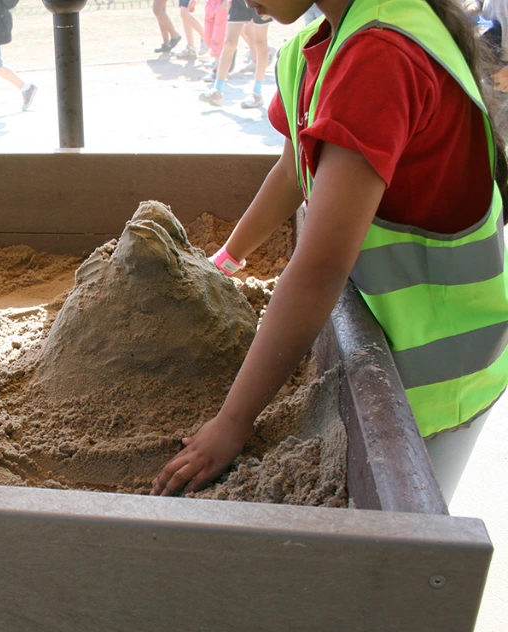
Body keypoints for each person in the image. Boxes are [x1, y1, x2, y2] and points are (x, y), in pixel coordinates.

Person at [153, 0, 508, 503]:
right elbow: (291, 172)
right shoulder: (314, 47)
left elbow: (320, 269)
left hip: (435, 383)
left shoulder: (380, 55)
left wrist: (232, 423)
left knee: (407, 541)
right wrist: (226, 260)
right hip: (381, 349)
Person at [199, 0, 272, 107]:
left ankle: (257, 93)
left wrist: (271, 5)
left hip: (260, 2)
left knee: (260, 42)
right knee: (229, 42)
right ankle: (217, 90)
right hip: (239, 2)